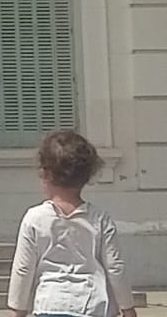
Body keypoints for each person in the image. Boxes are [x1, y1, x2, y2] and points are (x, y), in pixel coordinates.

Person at [8, 129, 134, 317]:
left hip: (49, 304)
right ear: (86, 175)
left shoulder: (34, 218)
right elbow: (115, 266)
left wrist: (17, 310)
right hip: (92, 305)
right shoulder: (99, 219)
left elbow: (23, 268)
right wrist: (127, 308)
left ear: (45, 174)